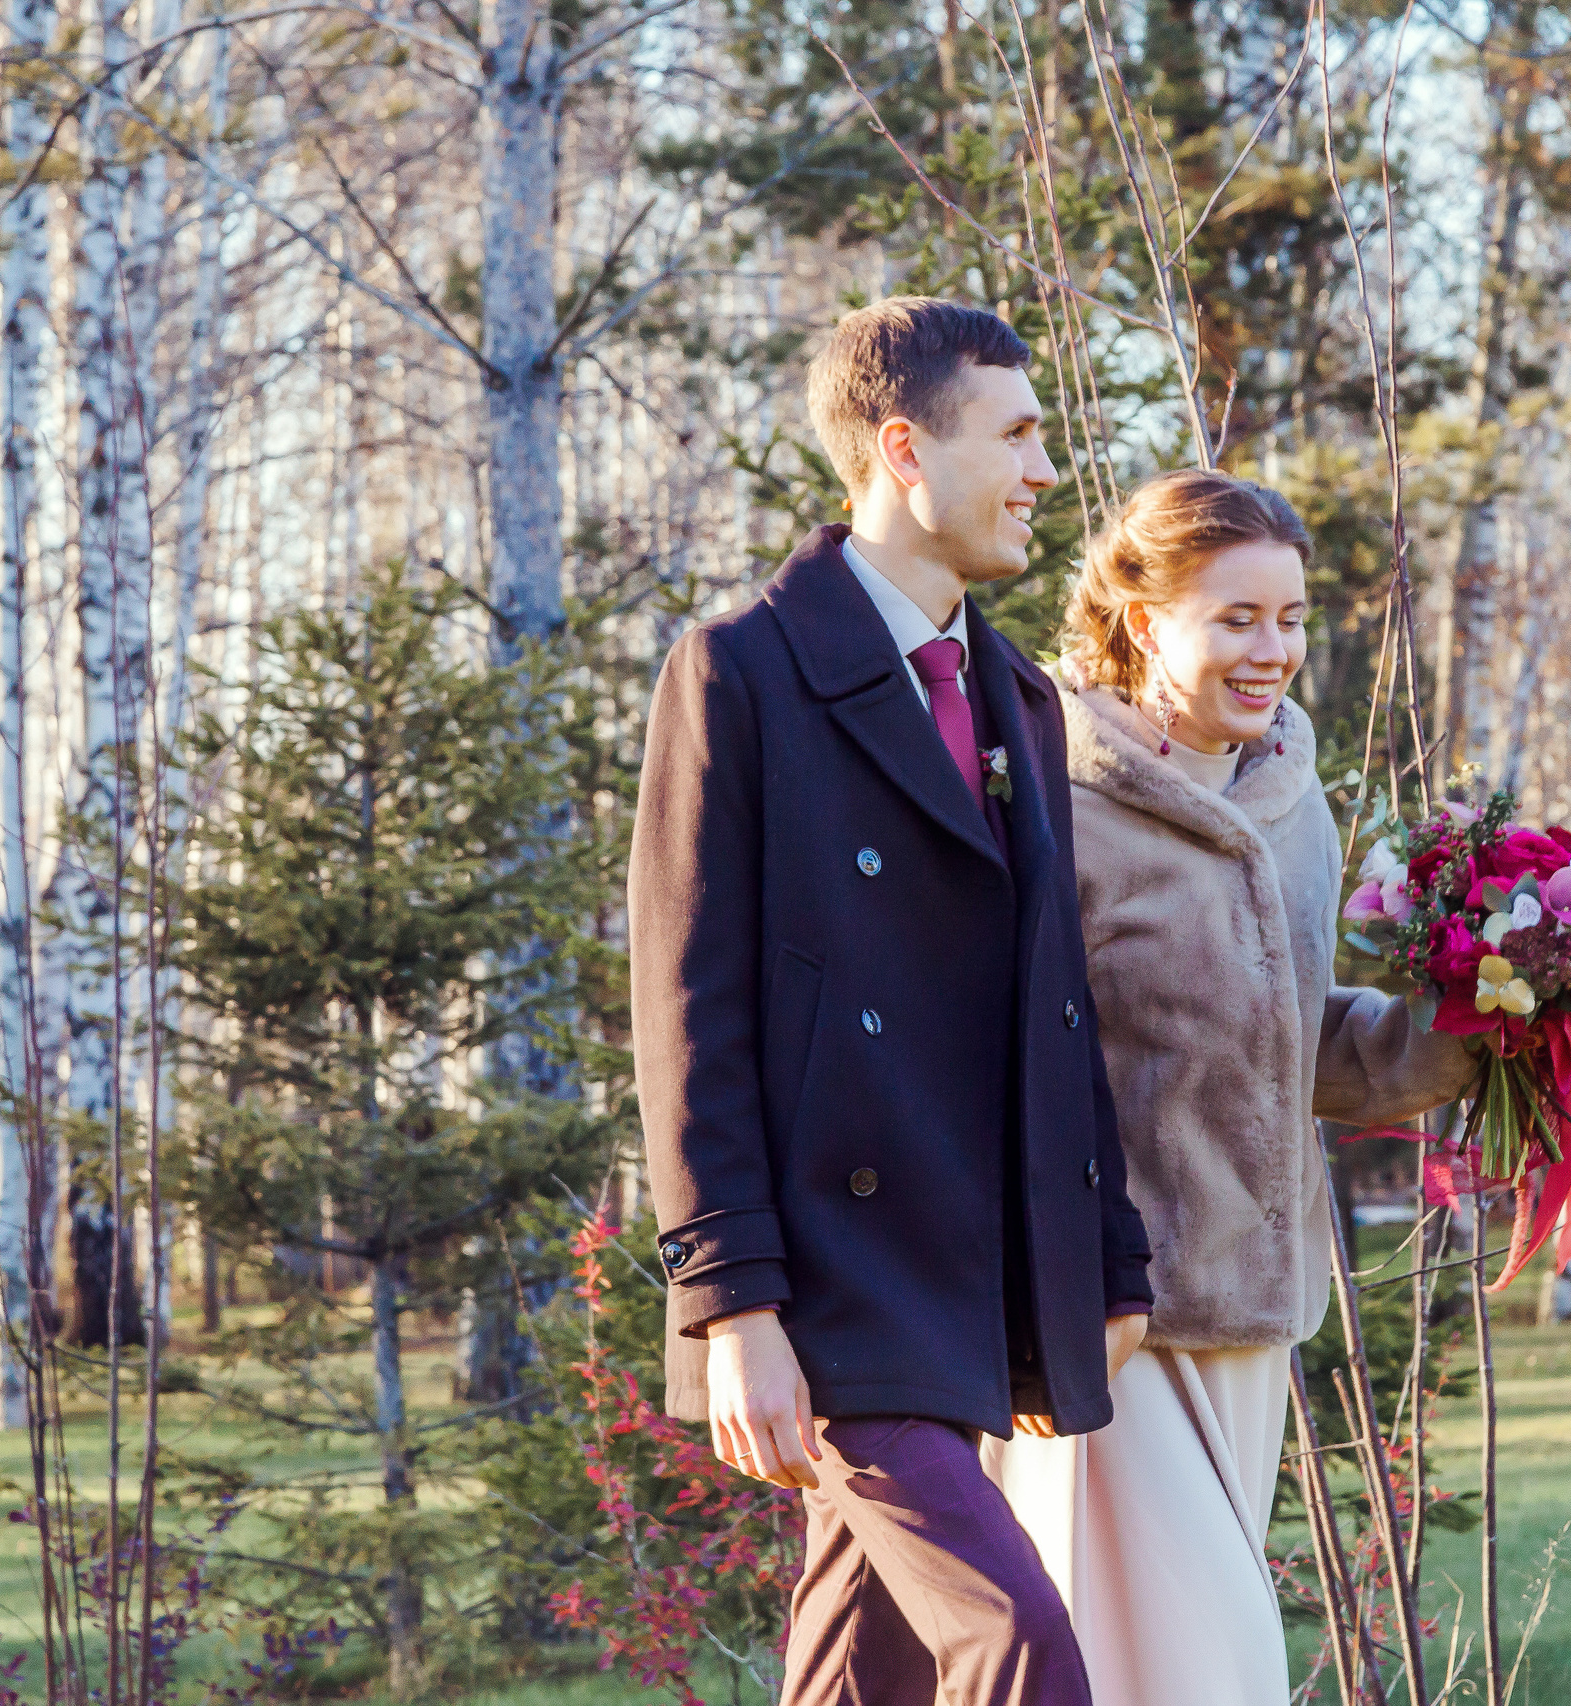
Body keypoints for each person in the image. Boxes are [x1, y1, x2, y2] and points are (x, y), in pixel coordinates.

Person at [629, 297, 1154, 1706]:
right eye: (1017, 434)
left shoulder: (1019, 698)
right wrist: (731, 1305)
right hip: (829, 1285)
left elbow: (1053, 1001)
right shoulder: (741, 672)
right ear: (906, 448)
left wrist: (1106, 1253)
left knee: (866, 1670)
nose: (1045, 469)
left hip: (965, 1274)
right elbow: (689, 1019)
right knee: (1019, 1644)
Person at [982, 470, 1477, 1706]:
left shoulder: (1290, 800)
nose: (1274, 651)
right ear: (1144, 617)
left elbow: (1289, 1041)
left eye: (1291, 618)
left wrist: (1478, 1015)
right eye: (1237, 618)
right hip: (1107, 1315)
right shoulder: (1052, 800)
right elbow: (1001, 1064)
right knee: (1210, 1670)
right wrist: (1051, 1300)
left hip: (1251, 1315)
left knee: (1152, 1676)